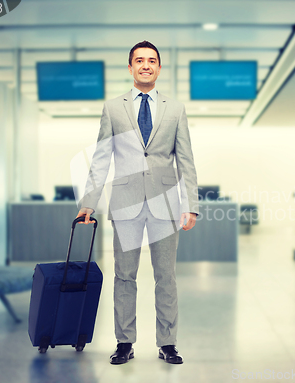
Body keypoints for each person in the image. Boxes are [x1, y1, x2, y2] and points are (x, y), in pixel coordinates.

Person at [76, 40, 199, 365]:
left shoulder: (175, 108)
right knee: (125, 276)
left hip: (166, 204)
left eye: (152, 60)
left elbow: (185, 159)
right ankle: (124, 342)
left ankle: (167, 343)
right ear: (130, 67)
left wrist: (191, 204)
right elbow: (102, 157)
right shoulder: (113, 108)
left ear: (159, 67)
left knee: (166, 277)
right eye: (140, 60)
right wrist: (89, 201)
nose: (146, 65)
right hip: (126, 203)